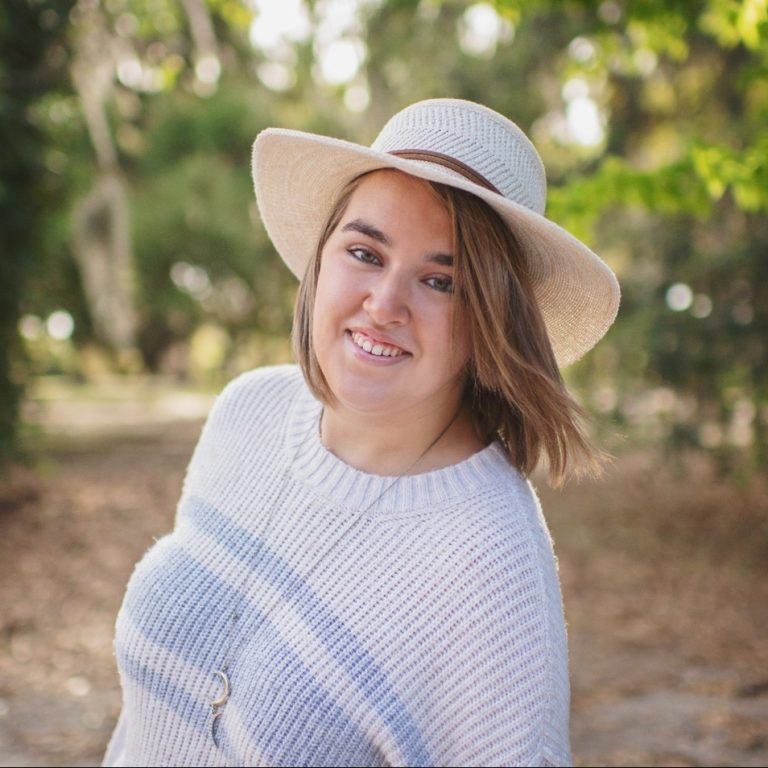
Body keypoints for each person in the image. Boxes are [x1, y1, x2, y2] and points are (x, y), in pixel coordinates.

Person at [103, 98, 619, 767]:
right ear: (322, 260)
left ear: (492, 321)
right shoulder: (247, 413)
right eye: (364, 252)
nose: (384, 305)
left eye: (441, 280)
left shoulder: (489, 562)